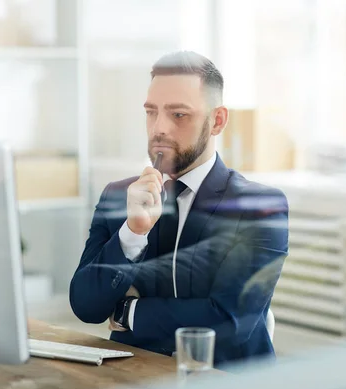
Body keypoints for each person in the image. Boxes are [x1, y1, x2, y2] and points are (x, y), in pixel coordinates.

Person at [70, 51, 288, 366]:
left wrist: (128, 312)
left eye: (178, 115)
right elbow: (86, 305)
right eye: (151, 112)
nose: (160, 128)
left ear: (217, 121)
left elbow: (228, 321)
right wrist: (133, 233)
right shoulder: (119, 195)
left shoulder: (258, 207)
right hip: (135, 376)